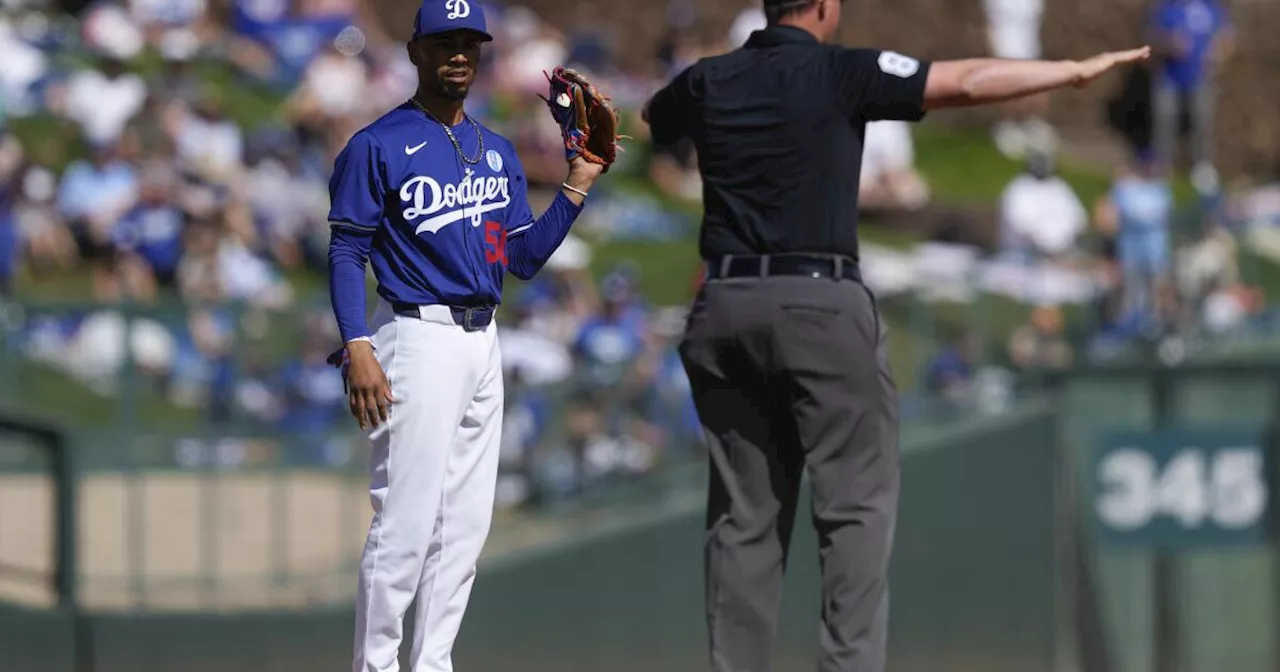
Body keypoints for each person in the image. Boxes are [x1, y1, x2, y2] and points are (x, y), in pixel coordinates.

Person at [640, 0, 1148, 669]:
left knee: (745, 519)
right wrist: (1070, 71)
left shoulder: (710, 78)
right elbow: (964, 81)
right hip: (818, 302)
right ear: (825, 6)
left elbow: (655, 116)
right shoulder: (843, 72)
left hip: (725, 303)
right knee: (854, 506)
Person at [325, 1, 606, 670]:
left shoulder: (497, 150)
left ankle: (434, 663)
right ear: (416, 52)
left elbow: (524, 259)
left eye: (470, 42)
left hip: (484, 342)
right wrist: (358, 343)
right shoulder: (377, 145)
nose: (459, 53)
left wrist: (574, 187)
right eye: (444, 42)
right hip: (416, 336)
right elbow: (345, 253)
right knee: (406, 521)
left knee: (463, 531)